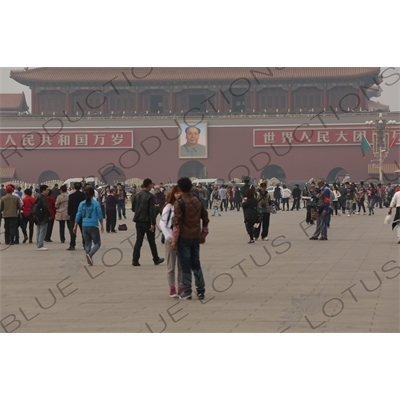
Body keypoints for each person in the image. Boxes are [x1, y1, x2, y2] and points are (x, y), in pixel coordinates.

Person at [171, 177, 209, 300]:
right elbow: (205, 218)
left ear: (180, 188)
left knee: (185, 264)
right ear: (191, 187)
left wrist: (174, 240)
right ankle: (201, 290)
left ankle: (187, 291)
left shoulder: (179, 203)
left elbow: (177, 223)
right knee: (196, 263)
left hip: (184, 237)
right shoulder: (197, 201)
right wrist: (203, 234)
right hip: (195, 237)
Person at [131, 178, 164, 267]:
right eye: (151, 185)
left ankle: (135, 260)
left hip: (138, 221)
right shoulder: (150, 196)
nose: (152, 186)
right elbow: (151, 211)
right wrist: (153, 223)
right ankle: (156, 259)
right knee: (151, 241)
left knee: (139, 240)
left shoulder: (136, 196)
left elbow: (133, 208)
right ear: (149, 185)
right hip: (147, 221)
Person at [159, 185, 183, 298]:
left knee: (182, 265)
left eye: (180, 193)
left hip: (182, 239)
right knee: (171, 266)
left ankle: (181, 287)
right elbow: (162, 224)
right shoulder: (169, 207)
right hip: (171, 239)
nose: (179, 195)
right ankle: (172, 288)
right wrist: (170, 238)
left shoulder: (184, 205)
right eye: (177, 193)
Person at [74, 186, 104, 266]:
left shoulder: (82, 203)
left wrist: (75, 225)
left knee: (87, 243)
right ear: (93, 194)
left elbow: (78, 214)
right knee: (97, 243)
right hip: (93, 225)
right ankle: (90, 254)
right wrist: (101, 224)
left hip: (84, 225)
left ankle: (89, 260)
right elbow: (99, 214)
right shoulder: (96, 203)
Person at [67, 182, 86, 250]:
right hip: (83, 215)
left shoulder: (71, 196)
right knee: (83, 231)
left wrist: (69, 213)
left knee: (73, 231)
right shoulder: (84, 195)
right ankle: (85, 244)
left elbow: (70, 206)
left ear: (74, 187)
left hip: (73, 215)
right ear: (81, 187)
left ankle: (72, 245)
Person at [35, 185, 51, 250]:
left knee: (38, 231)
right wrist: (49, 215)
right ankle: (40, 245)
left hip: (38, 216)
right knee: (42, 231)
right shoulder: (43, 198)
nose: (48, 191)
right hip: (43, 216)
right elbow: (45, 207)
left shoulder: (38, 197)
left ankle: (38, 244)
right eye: (47, 190)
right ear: (43, 190)